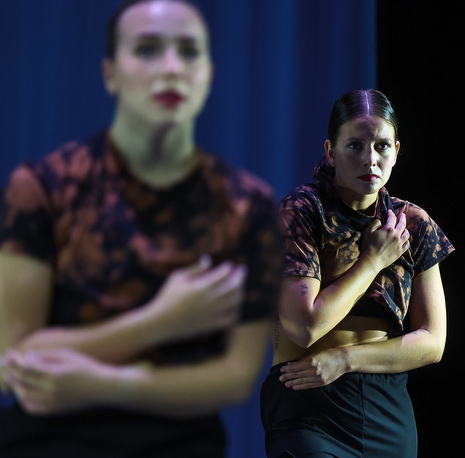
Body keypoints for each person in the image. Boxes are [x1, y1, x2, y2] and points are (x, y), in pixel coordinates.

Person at [0, 0, 281, 456]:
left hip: (181, 446)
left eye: (189, 52)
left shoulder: (249, 207)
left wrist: (102, 384)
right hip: (45, 441)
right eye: (147, 49)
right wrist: (159, 322)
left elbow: (235, 378)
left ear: (208, 74)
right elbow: (13, 361)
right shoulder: (41, 187)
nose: (170, 68)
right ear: (110, 73)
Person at [260, 89, 454, 457]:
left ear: (396, 152)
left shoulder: (412, 222)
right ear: (331, 151)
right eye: (355, 146)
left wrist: (345, 359)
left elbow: (433, 342)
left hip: (386, 406)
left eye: (381, 146)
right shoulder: (300, 211)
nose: (370, 159)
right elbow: (305, 327)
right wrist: (372, 261)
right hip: (309, 402)